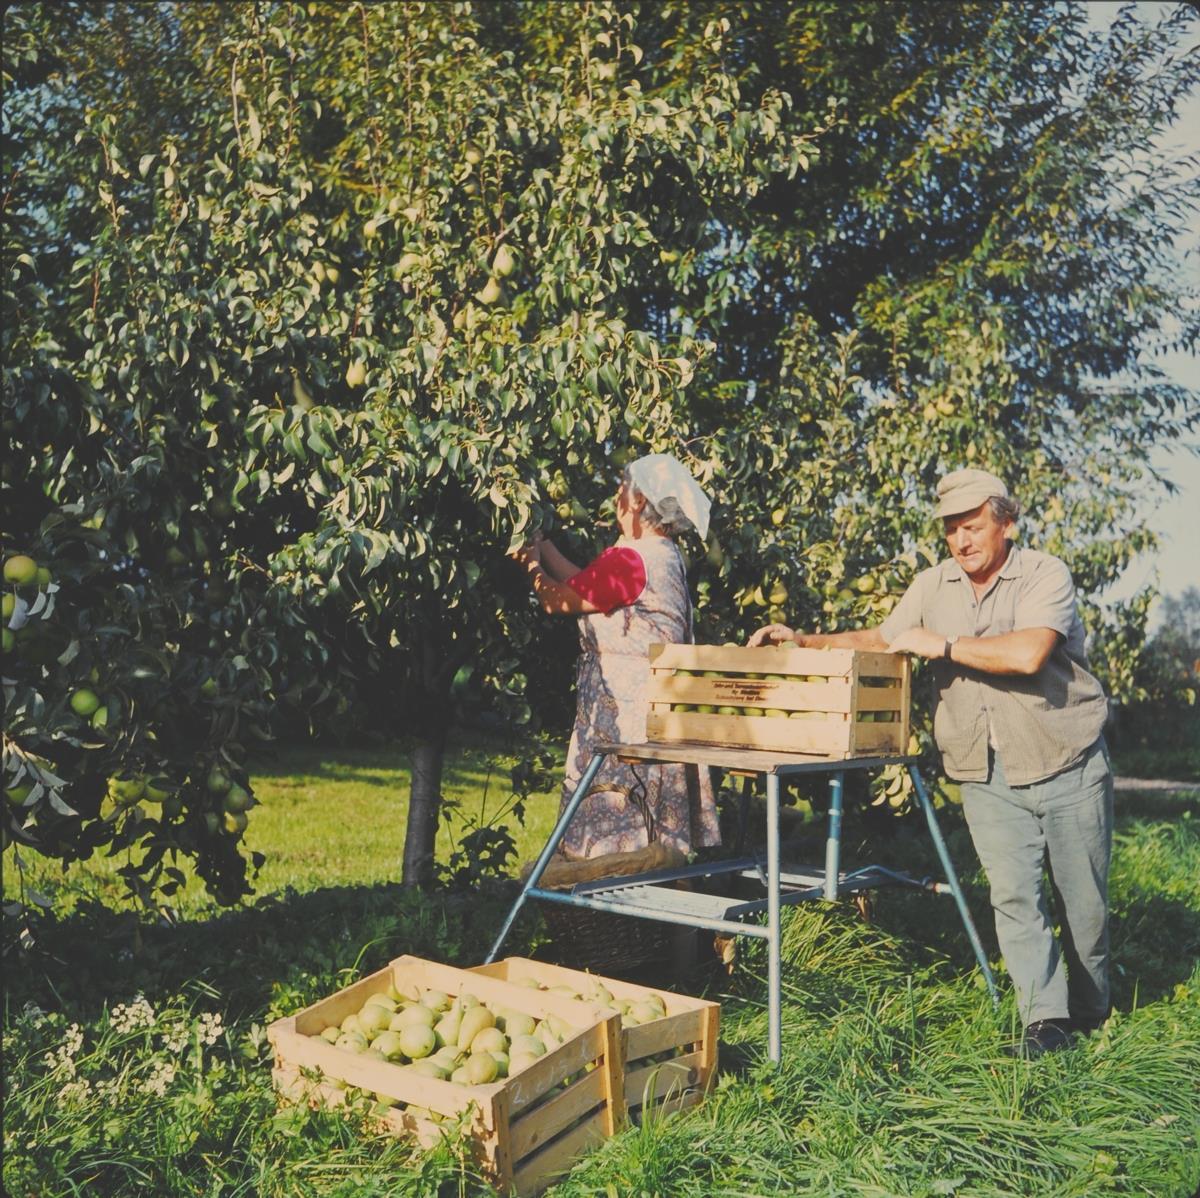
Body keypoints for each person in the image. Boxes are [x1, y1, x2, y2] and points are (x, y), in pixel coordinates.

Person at [750, 467, 1113, 1059]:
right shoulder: (932, 585)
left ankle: (1093, 1006)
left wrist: (941, 646)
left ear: (1006, 524)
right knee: (1014, 896)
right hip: (983, 768)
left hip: (1066, 759)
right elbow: (884, 639)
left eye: (972, 527)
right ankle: (1044, 1022)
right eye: (951, 531)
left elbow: (1028, 653)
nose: (962, 542)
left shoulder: (1045, 573)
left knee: (1085, 905)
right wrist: (806, 641)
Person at [510, 453, 721, 862]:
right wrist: (546, 546)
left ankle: (619, 916)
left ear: (639, 500)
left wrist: (531, 567)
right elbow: (588, 584)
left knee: (620, 835)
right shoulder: (660, 553)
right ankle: (668, 923)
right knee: (656, 842)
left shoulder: (631, 559)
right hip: (656, 714)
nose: (615, 496)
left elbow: (559, 601)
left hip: (624, 722)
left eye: (622, 487)